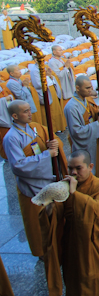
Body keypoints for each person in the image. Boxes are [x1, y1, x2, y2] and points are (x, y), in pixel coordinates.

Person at [39, 150, 99, 295]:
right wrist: (50, 208)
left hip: (96, 243)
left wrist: (75, 194)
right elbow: (58, 213)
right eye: (70, 168)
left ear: (90, 167)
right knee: (75, 283)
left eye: (78, 168)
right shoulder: (65, 187)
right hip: (73, 245)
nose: (74, 172)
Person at [3, 100, 66, 258]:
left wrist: (52, 144)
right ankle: (43, 252)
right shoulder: (11, 138)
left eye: (29, 110)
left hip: (46, 179)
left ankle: (58, 245)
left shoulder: (34, 128)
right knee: (37, 222)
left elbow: (51, 142)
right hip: (30, 185)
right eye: (25, 111)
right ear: (15, 116)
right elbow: (18, 166)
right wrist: (47, 154)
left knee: (54, 217)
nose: (30, 114)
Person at [64, 75, 99, 196]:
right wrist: (97, 124)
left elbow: (92, 115)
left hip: (96, 141)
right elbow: (77, 132)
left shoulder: (86, 100)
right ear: (77, 88)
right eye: (87, 88)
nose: (90, 90)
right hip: (85, 147)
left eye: (91, 87)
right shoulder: (71, 107)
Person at [29, 64, 66, 133]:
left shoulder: (44, 66)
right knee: (49, 112)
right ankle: (50, 130)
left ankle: (58, 127)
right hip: (45, 91)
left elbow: (51, 77)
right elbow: (38, 84)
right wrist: (46, 76)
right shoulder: (34, 70)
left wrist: (50, 76)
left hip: (51, 89)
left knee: (55, 109)